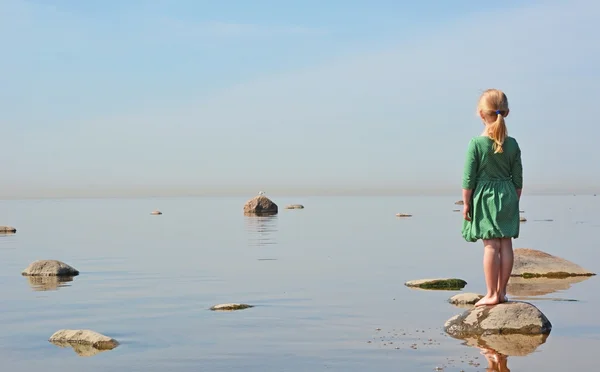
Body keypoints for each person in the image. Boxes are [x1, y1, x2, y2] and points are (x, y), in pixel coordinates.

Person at [461, 89, 523, 307]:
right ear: (506, 113)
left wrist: (467, 203)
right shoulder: (513, 144)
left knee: (490, 246)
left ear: (481, 113)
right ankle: (502, 292)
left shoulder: (476, 144)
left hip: (485, 196)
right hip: (507, 194)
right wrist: (513, 200)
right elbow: (518, 179)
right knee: (506, 244)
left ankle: (491, 294)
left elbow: (469, 178)